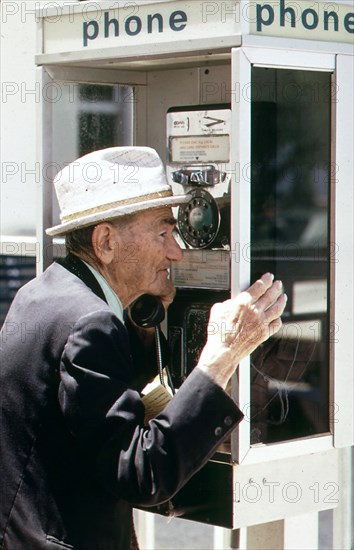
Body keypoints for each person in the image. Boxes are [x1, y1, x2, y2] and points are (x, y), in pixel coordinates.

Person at [0, 147, 287, 549]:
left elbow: (96, 416)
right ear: (105, 242)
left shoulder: (45, 293)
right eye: (163, 233)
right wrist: (222, 356)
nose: (176, 252)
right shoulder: (91, 322)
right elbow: (142, 474)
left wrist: (144, 328)